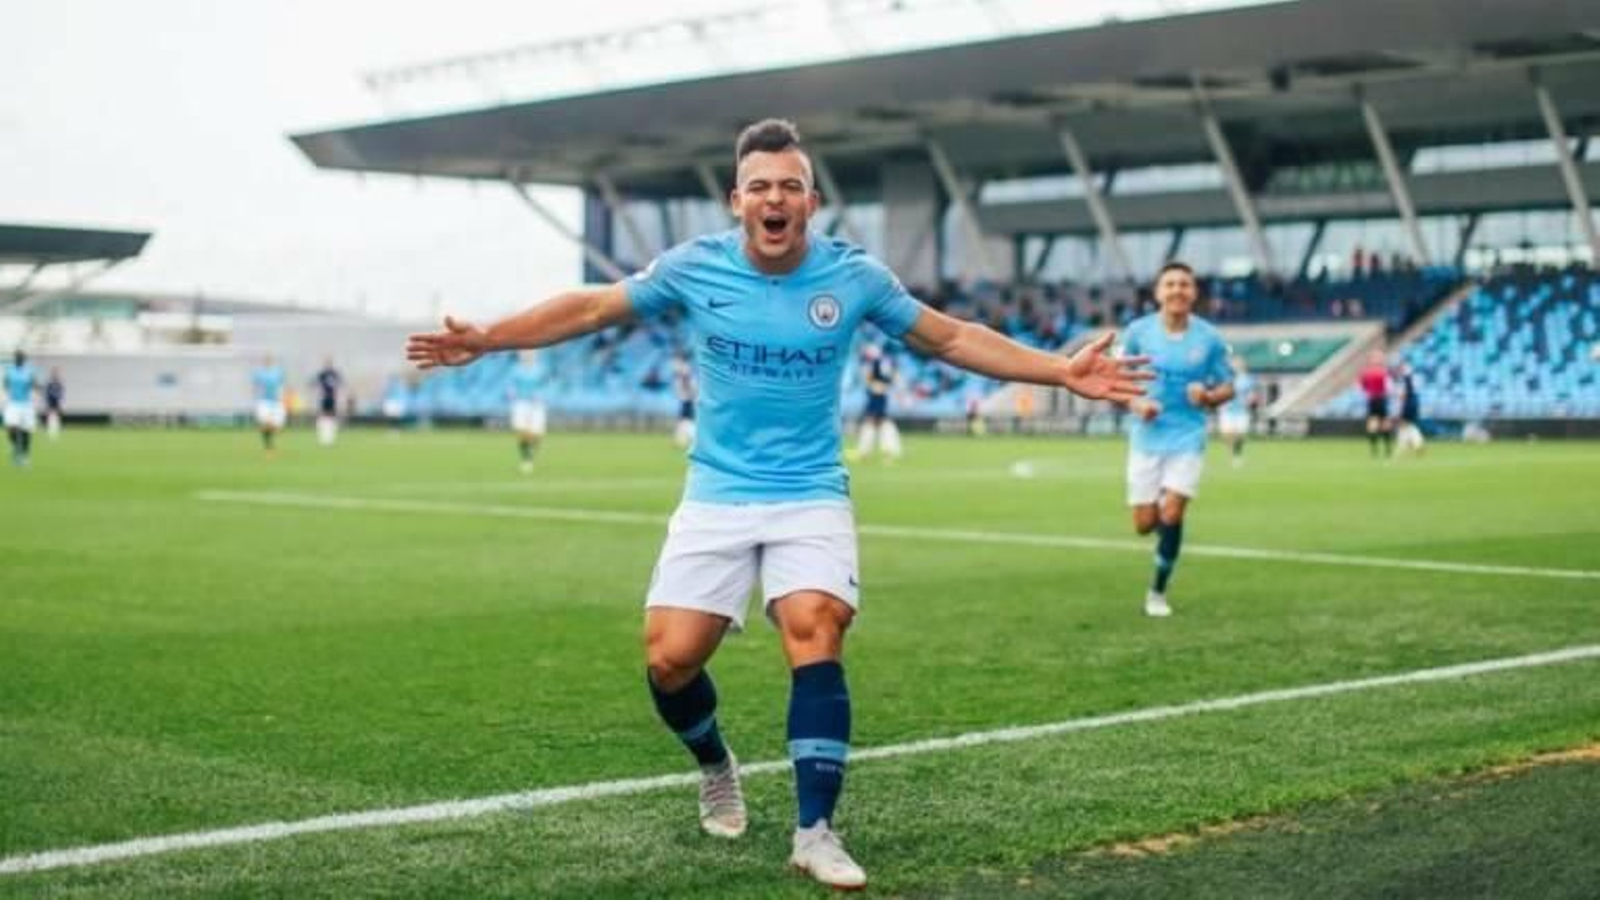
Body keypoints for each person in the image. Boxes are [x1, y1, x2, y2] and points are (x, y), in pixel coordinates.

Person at [406, 119, 1148, 891]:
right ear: (736, 200)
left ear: (811, 202)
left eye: (789, 186)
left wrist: (1060, 372)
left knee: (815, 627)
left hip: (809, 495)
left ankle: (815, 830)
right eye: (760, 185)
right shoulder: (694, 267)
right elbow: (594, 309)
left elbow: (951, 338)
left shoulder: (853, 277)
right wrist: (489, 338)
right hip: (717, 493)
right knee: (669, 661)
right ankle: (715, 762)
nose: (774, 197)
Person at [1122, 262, 1234, 618]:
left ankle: (1157, 591)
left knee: (1172, 511)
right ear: (1158, 292)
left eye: (1184, 284)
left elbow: (1228, 386)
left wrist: (1209, 397)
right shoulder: (1138, 333)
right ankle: (1163, 512)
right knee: (1144, 524)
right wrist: (1137, 403)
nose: (1177, 290)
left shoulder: (1209, 339)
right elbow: (1118, 382)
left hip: (1188, 436)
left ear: (1194, 292)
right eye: (1170, 284)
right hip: (1147, 438)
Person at [849, 343, 901, 462]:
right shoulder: (885, 361)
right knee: (880, 421)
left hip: (877, 394)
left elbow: (872, 377)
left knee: (872, 421)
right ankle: (888, 450)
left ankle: (866, 451)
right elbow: (892, 376)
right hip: (879, 394)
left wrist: (875, 384)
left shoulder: (878, 362)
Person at [507, 350, 548, 474]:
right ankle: (526, 459)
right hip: (521, 402)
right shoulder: (515, 369)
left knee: (537, 434)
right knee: (522, 431)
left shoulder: (541, 369)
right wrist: (511, 392)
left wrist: (540, 395)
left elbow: (545, 385)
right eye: (524, 353)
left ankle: (531, 452)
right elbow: (511, 384)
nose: (527, 355)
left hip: (536, 404)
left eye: (530, 353)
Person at [1217, 353, 1257, 468]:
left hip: (1241, 410)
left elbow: (1252, 393)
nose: (1236, 365)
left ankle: (1236, 454)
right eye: (1234, 363)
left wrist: (1251, 399)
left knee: (1240, 434)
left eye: (1239, 363)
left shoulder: (1248, 379)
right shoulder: (1225, 377)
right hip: (1227, 409)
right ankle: (1232, 453)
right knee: (1227, 434)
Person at [4, 350, 39, 467]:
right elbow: (5, 384)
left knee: (26, 431)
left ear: (24, 359)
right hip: (13, 404)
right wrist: (7, 394)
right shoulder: (9, 370)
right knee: (10, 428)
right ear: (14, 359)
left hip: (26, 405)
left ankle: (25, 456)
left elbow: (35, 384)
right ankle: (16, 446)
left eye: (21, 357)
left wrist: (35, 387)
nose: (18, 359)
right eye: (17, 357)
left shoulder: (29, 371)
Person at [1358, 350, 1393, 458]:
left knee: (1373, 423)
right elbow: (1389, 387)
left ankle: (1375, 449)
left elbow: (1362, 387)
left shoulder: (1366, 372)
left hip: (1372, 399)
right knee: (1384, 423)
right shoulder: (1384, 372)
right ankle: (1386, 448)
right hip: (1381, 398)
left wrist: (1369, 392)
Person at [252, 356, 287, 454]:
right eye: (266, 360)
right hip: (264, 401)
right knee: (265, 423)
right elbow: (255, 386)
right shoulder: (259, 373)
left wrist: (283, 398)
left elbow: (282, 385)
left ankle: (269, 440)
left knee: (277, 426)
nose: (267, 362)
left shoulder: (278, 372)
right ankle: (269, 447)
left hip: (276, 402)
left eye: (269, 360)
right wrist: (256, 398)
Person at [1394, 362, 1425, 456]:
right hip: (1414, 402)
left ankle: (1404, 445)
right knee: (1408, 425)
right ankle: (1416, 443)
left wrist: (1400, 407)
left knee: (1403, 425)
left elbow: (1403, 394)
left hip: (1408, 403)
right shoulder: (1414, 378)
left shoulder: (1405, 379)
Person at [312, 359, 343, 447]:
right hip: (324, 397)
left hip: (332, 398)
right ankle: (323, 436)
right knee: (323, 415)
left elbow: (340, 382)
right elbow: (315, 382)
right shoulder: (323, 374)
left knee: (332, 416)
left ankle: (330, 436)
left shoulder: (335, 373)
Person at [672, 350, 697, 449]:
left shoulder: (684, 369)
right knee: (685, 419)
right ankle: (682, 439)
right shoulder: (684, 368)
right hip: (686, 398)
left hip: (687, 398)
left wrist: (689, 394)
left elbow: (687, 382)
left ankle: (689, 439)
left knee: (686, 420)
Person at [43, 368, 64, 441]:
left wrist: (58, 396)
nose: (55, 375)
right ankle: (49, 430)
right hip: (50, 402)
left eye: (56, 374)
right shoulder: (49, 384)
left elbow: (61, 393)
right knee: (50, 416)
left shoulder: (59, 384)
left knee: (57, 416)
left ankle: (57, 429)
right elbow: (46, 393)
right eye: (54, 374)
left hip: (56, 402)